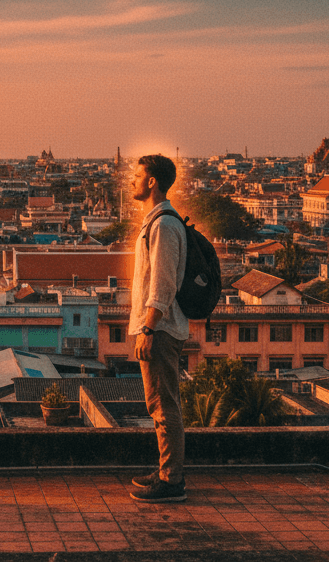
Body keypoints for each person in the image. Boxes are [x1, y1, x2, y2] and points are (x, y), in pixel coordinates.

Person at [127, 154, 189, 503]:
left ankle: (172, 481)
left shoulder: (164, 225)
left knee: (165, 407)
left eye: (137, 176)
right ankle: (166, 470)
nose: (132, 181)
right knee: (159, 406)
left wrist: (148, 329)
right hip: (157, 327)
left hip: (160, 329)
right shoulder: (157, 222)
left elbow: (162, 286)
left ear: (152, 181)